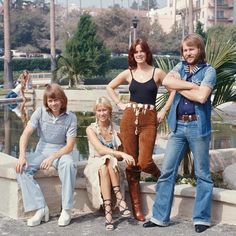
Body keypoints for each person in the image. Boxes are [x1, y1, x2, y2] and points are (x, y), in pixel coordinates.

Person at [143, 33, 216, 233]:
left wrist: (180, 86)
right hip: (178, 127)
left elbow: (202, 97)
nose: (188, 53)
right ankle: (159, 217)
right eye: (185, 50)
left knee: (203, 174)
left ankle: (201, 218)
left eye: (191, 49)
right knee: (167, 172)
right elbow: (167, 82)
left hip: (197, 127)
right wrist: (191, 85)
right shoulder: (179, 68)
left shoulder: (209, 71)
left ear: (199, 50)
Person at [106, 38, 175, 221]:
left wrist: (164, 110)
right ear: (132, 54)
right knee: (132, 163)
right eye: (135, 51)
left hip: (149, 119)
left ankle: (160, 176)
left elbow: (174, 90)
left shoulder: (157, 73)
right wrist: (120, 104)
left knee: (144, 162)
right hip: (129, 118)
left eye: (141, 51)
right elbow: (110, 87)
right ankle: (137, 208)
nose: (138, 54)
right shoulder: (129, 73)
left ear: (147, 53)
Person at [15, 83, 79, 227]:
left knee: (69, 164)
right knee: (21, 168)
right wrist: (22, 156)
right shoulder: (40, 112)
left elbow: (69, 146)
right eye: (50, 101)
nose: (53, 104)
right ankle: (41, 208)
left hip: (61, 152)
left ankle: (67, 209)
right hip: (41, 150)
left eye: (56, 100)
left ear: (62, 100)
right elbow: (25, 134)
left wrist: (53, 157)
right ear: (46, 102)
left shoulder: (71, 118)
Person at [84, 97, 135, 231]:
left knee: (107, 163)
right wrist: (121, 155)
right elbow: (100, 150)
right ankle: (119, 199)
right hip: (94, 163)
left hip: (110, 167)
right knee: (106, 161)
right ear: (95, 112)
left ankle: (108, 212)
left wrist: (123, 153)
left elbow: (123, 151)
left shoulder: (116, 129)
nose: (102, 113)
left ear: (110, 111)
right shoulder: (90, 129)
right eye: (99, 110)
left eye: (104, 110)